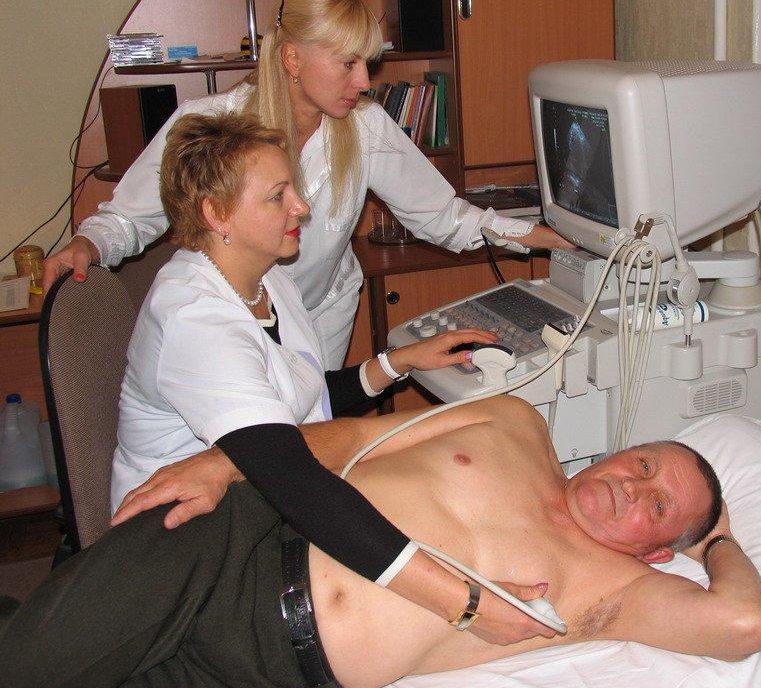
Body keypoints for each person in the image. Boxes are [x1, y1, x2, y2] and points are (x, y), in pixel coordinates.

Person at [106, 110, 554, 649]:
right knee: (408, 591)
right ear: (216, 213)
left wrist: (399, 363)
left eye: (293, 188)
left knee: (439, 503)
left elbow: (302, 397)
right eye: (278, 196)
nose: (302, 206)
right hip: (186, 548)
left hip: (260, 501)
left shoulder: (265, 278)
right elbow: (295, 481)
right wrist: (466, 607)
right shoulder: (194, 319)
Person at [2, 396, 761, 688]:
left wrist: (717, 544)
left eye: (657, 506)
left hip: (268, 673)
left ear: (657, 552)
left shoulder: (617, 591)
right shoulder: (515, 424)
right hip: (230, 541)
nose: (633, 486)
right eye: (643, 464)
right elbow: (349, 438)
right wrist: (226, 462)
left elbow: (742, 623)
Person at [44, 0, 572, 369]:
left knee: (312, 438)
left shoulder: (364, 126)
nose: (364, 82)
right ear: (293, 59)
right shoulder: (210, 128)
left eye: (367, 63)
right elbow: (128, 218)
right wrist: (88, 244)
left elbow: (443, 216)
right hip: (230, 323)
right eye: (348, 64)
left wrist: (545, 238)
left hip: (321, 317)